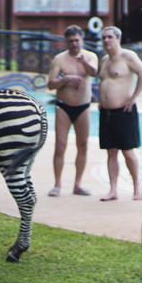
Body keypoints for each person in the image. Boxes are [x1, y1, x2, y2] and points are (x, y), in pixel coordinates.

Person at [96, 26, 142, 201]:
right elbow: (103, 82)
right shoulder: (104, 60)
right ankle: (112, 190)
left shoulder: (127, 56)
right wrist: (100, 100)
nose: (106, 40)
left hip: (124, 111)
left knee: (128, 152)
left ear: (118, 38)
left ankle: (137, 189)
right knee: (111, 152)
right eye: (104, 37)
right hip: (106, 112)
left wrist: (132, 98)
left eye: (110, 37)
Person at [46, 25, 98, 197]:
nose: (74, 44)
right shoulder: (59, 59)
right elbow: (51, 84)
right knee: (60, 145)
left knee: (82, 145)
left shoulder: (91, 56)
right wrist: (65, 79)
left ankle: (77, 185)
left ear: (82, 40)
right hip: (63, 106)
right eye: (70, 41)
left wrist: (83, 62)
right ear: (66, 42)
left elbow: (94, 72)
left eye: (76, 40)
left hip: (83, 107)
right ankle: (57, 184)